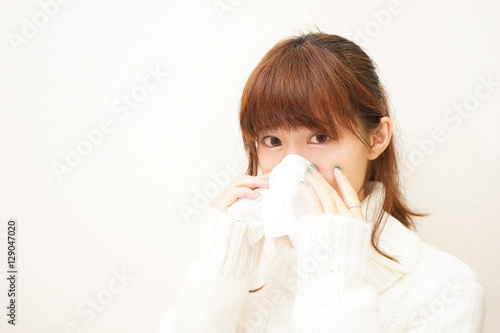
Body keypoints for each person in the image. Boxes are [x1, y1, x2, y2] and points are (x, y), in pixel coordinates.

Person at [155, 28, 486, 332]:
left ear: (376, 138)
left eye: (320, 137)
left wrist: (332, 273)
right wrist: (222, 266)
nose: (292, 164)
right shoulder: (251, 267)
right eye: (272, 141)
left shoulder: (446, 289)